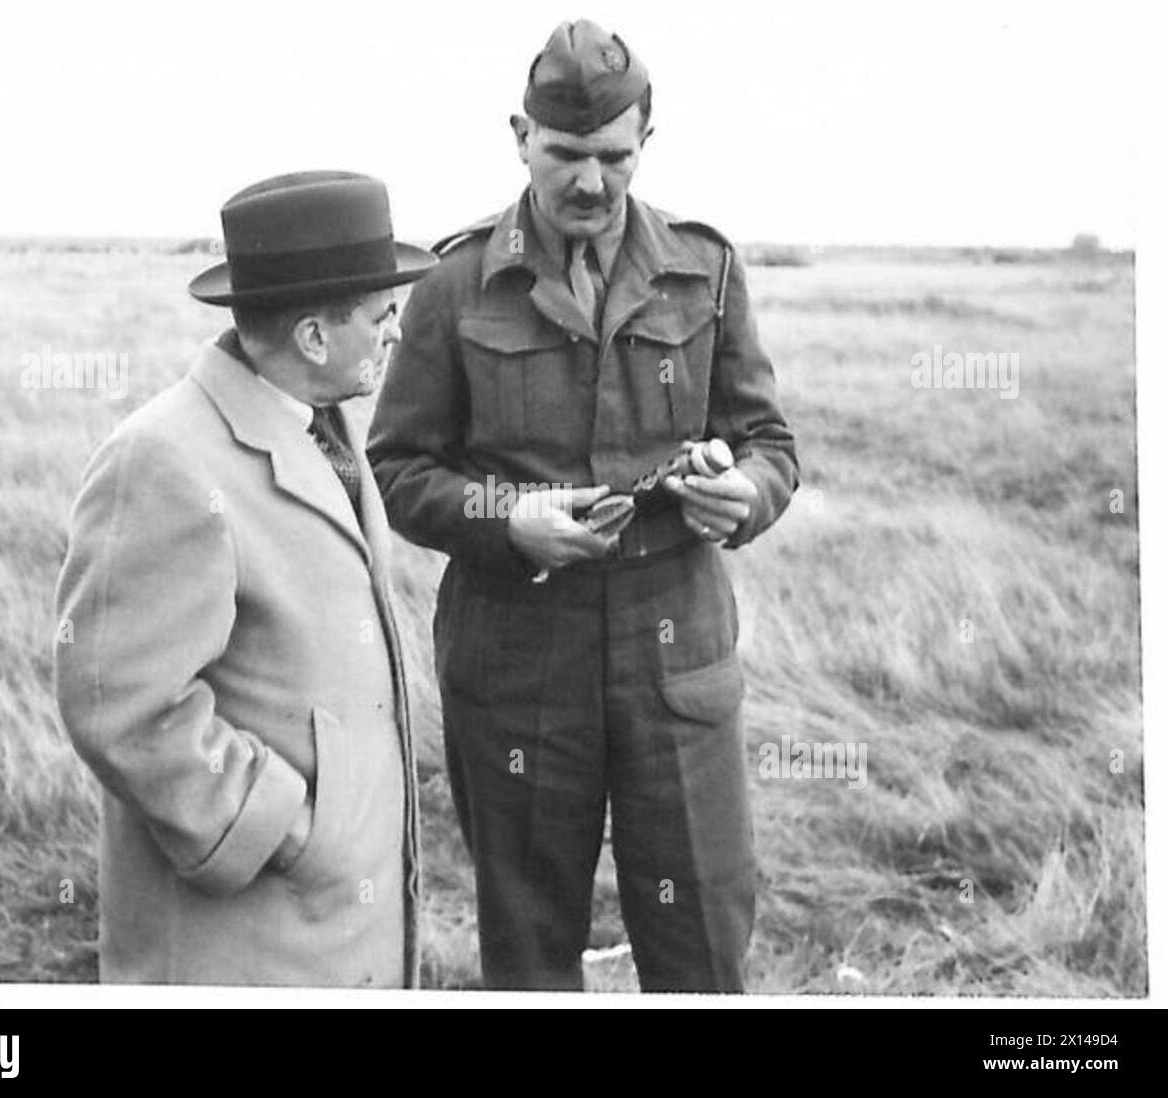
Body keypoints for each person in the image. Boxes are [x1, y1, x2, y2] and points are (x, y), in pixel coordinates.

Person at [369, 21, 799, 991]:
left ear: (647, 142)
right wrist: (505, 520)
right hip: (517, 656)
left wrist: (743, 497)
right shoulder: (451, 282)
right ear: (519, 135)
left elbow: (770, 444)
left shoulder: (706, 268)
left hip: (673, 657)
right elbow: (398, 466)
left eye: (613, 156)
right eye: (565, 155)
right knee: (528, 938)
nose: (591, 183)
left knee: (701, 929)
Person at [54, 171, 435, 985]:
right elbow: (117, 701)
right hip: (245, 947)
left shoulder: (320, 430)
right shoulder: (164, 459)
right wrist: (284, 829)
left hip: (330, 932)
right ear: (311, 337)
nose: (397, 333)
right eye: (381, 316)